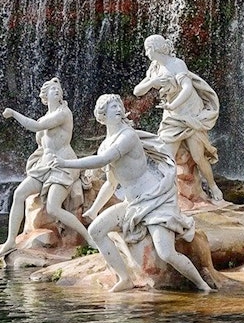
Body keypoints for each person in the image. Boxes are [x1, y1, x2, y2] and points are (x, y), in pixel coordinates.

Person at [53, 94, 212, 292]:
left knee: (166, 252)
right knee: (96, 230)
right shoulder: (105, 144)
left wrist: (67, 163)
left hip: (155, 199)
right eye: (112, 106)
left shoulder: (127, 136)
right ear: (101, 114)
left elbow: (103, 160)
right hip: (133, 204)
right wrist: (94, 209)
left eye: (119, 105)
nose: (118, 109)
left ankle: (202, 285)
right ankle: (124, 278)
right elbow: (111, 183)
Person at [0, 78, 96, 257]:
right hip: (45, 166)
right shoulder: (45, 117)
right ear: (45, 95)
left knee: (53, 207)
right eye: (53, 89)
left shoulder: (64, 113)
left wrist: (13, 113)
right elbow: (42, 144)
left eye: (59, 89)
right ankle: (10, 240)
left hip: (63, 165)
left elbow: (36, 126)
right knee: (19, 194)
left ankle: (90, 238)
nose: (57, 91)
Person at [133, 35, 223, 202]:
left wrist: (173, 106)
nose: (146, 54)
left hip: (190, 112)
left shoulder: (176, 64)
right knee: (165, 155)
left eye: (147, 49)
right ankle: (164, 192)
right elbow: (137, 91)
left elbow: (187, 88)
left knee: (198, 156)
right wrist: (152, 82)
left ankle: (212, 186)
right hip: (172, 114)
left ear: (155, 48)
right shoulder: (155, 68)